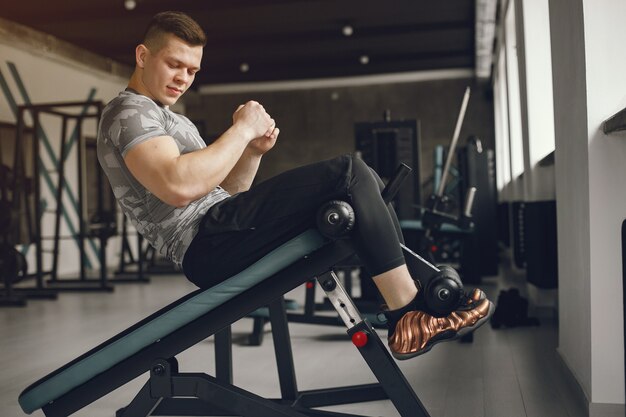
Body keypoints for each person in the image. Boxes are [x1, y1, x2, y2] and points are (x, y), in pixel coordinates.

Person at [97, 11, 493, 360]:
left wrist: (251, 151)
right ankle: (406, 313)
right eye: (174, 64)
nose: (183, 78)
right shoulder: (129, 112)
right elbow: (176, 186)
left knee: (362, 180)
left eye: (193, 71)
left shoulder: (171, 118)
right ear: (142, 55)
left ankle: (417, 295)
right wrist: (241, 128)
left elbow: (227, 196)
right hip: (205, 243)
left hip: (218, 229)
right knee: (348, 173)